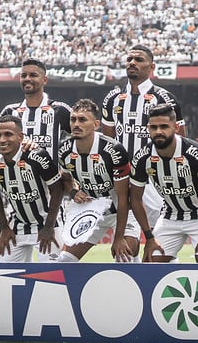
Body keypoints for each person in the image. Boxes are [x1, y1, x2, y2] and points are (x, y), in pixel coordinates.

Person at [128, 104, 198, 263]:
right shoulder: (142, 158)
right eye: (153, 127)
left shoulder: (197, 154)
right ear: (148, 128)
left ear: (175, 127)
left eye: (164, 126)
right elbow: (135, 198)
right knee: (151, 261)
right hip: (170, 214)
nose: (158, 131)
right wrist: (149, 237)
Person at [101, 45, 186, 230]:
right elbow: (108, 142)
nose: (132, 63)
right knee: (125, 239)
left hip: (154, 178)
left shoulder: (164, 98)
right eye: (129, 59)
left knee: (161, 236)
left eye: (139, 60)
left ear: (151, 67)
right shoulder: (112, 98)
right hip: (123, 178)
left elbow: (180, 139)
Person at [56, 99, 141, 263]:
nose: (76, 124)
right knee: (64, 261)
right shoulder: (64, 150)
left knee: (124, 258)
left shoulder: (114, 150)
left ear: (96, 124)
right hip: (91, 210)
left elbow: (123, 197)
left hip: (121, 211)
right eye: (73, 119)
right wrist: (73, 191)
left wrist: (119, 237)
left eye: (82, 120)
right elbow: (66, 178)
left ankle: (135, 255)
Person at [0, 115, 64, 262]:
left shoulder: (38, 156)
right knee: (4, 274)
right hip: (17, 225)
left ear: (20, 137)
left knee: (51, 275)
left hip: (48, 223)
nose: (2, 140)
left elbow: (57, 190)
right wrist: (4, 227)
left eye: (8, 134)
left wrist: (49, 226)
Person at [0, 58, 74, 194]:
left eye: (33, 75)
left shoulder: (59, 110)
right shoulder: (10, 111)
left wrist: (67, 167)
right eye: (23, 75)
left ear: (44, 80)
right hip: (19, 191)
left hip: (51, 190)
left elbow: (82, 137)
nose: (27, 79)